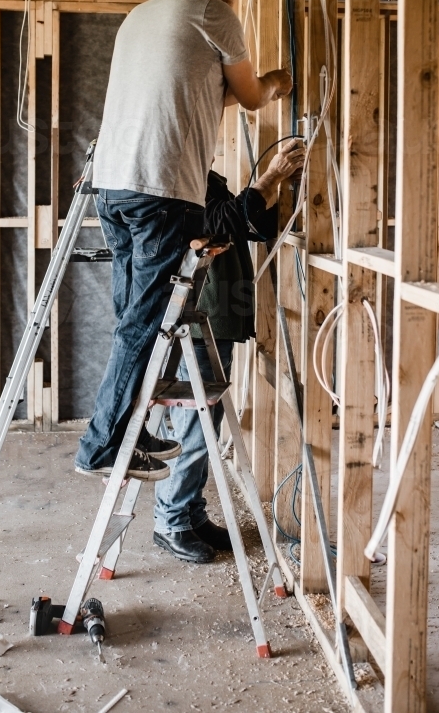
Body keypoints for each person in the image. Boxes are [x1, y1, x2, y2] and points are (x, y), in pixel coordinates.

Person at [74, 0, 292, 481]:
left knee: (134, 317)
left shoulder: (142, 15)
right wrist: (277, 84)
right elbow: (248, 96)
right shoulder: (214, 13)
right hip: (161, 188)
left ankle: (124, 428)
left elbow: (192, 89)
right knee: (145, 322)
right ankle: (101, 445)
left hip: (115, 186)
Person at [153, 140, 304, 563]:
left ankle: (189, 512)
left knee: (205, 422)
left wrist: (275, 190)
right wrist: (270, 177)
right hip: (198, 316)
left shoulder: (205, 178)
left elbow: (242, 223)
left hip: (214, 315)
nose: (212, 146)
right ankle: (171, 522)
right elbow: (219, 224)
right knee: (194, 428)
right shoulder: (176, 180)